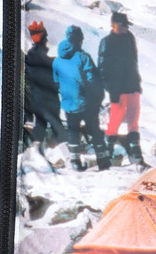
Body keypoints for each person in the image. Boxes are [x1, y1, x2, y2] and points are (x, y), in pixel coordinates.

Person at [52, 25, 110, 171]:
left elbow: (56, 81)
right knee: (95, 131)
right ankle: (103, 162)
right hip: (86, 103)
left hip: (68, 104)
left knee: (73, 132)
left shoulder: (57, 61)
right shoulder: (83, 57)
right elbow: (92, 80)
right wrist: (96, 97)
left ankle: (75, 162)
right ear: (79, 40)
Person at [98, 11, 145, 167]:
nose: (126, 28)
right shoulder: (107, 42)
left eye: (127, 25)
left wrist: (137, 81)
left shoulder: (130, 38)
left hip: (132, 85)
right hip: (116, 88)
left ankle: (136, 153)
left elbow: (134, 61)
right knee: (115, 119)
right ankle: (107, 152)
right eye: (123, 25)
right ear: (114, 25)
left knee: (133, 118)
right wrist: (109, 87)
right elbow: (102, 67)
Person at [24, 20, 65, 154]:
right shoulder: (42, 55)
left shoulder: (30, 56)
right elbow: (49, 72)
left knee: (40, 126)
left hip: (36, 98)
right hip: (48, 97)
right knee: (57, 127)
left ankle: (35, 153)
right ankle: (69, 156)